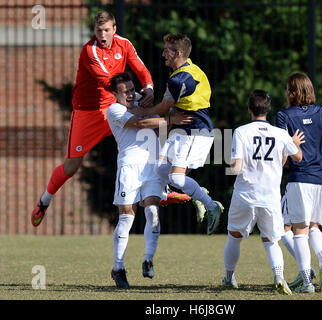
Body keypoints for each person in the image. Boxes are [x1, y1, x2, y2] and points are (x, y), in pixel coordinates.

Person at [31, 11, 186, 227]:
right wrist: (136, 96)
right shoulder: (90, 51)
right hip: (89, 112)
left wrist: (148, 88)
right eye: (98, 30)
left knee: (154, 122)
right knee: (71, 167)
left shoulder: (124, 44)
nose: (102, 35)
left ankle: (163, 187)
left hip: (116, 103)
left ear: (114, 29)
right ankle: (44, 201)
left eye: (106, 30)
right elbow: (111, 82)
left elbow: (140, 68)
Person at [130, 33, 223, 235]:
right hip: (184, 131)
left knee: (177, 179)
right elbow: (172, 110)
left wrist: (138, 110)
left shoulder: (179, 79)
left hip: (195, 132)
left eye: (167, 50)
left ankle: (211, 205)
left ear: (178, 53)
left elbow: (163, 108)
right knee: (161, 171)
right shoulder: (189, 68)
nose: (163, 53)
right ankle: (198, 195)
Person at [107, 72, 192, 288]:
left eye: (131, 89)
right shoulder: (114, 110)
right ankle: (118, 268)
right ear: (115, 94)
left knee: (152, 211)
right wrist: (169, 118)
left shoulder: (140, 101)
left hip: (152, 166)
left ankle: (148, 259)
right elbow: (139, 123)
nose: (130, 94)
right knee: (127, 216)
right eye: (124, 91)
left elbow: (157, 117)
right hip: (129, 168)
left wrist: (160, 101)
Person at [222, 90, 304, 295]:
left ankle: (229, 277)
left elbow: (237, 167)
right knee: (271, 240)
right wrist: (291, 145)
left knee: (234, 236)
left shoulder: (241, 131)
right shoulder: (280, 133)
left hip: (245, 194)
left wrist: (228, 165)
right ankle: (279, 277)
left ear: (249, 109)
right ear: (268, 110)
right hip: (270, 197)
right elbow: (299, 157)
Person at [275, 73, 322, 293]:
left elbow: (288, 156)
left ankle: (307, 282)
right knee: (314, 227)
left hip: (301, 178)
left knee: (299, 230)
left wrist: (292, 146)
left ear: (291, 91)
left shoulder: (283, 116)